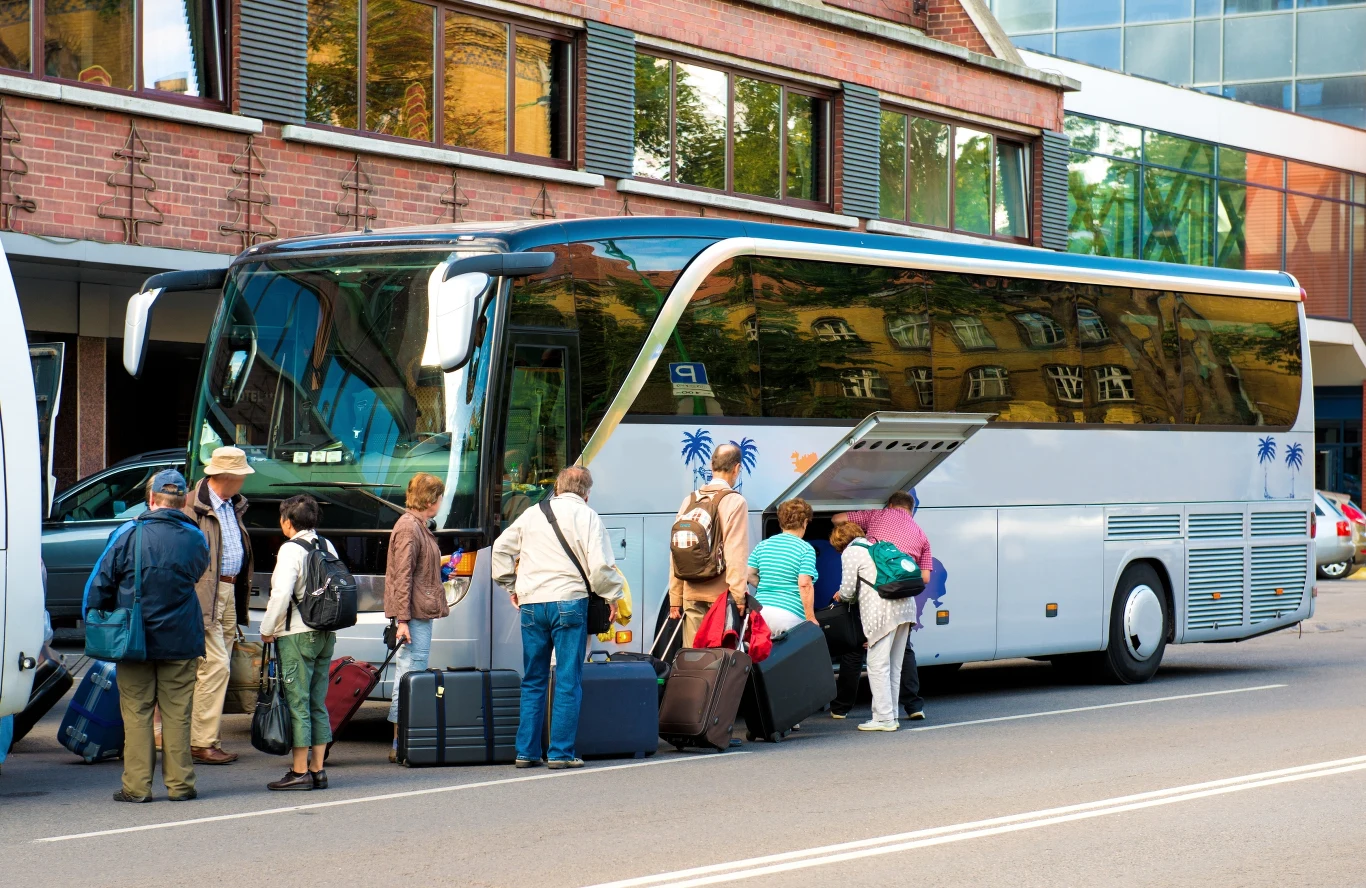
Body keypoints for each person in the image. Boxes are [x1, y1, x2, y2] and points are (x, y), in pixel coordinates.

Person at [85, 470, 209, 802]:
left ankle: (137, 787)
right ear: (183, 502)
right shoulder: (196, 538)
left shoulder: (128, 533)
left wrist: (95, 616)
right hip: (182, 637)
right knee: (178, 712)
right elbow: (198, 572)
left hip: (133, 638)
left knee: (137, 713)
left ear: (151, 499)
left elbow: (99, 584)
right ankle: (181, 785)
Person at [491, 466, 623, 769]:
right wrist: (612, 596)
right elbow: (600, 567)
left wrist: (512, 586)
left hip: (532, 604)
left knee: (534, 678)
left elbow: (500, 549)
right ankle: (560, 753)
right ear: (587, 494)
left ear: (558, 488)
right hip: (568, 602)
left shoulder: (533, 513)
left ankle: (526, 752)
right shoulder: (588, 516)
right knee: (566, 679)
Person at [259, 495, 337, 791]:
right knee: (318, 701)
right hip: (326, 632)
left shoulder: (290, 549)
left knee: (297, 702)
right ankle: (318, 770)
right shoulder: (326, 545)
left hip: (297, 634)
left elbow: (281, 594)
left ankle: (299, 771)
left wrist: (267, 629)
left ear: (287, 522)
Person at [833, 491, 930, 721]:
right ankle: (911, 706)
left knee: (859, 651)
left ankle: (845, 707)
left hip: (876, 598)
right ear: (911, 508)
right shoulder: (921, 533)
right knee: (902, 656)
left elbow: (837, 518)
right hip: (905, 601)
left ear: (890, 503)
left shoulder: (878, 516)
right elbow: (924, 578)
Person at [188, 446, 255, 765]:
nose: (244, 481)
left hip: (227, 590)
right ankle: (201, 742)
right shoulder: (194, 506)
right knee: (215, 665)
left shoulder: (231, 504)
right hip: (207, 593)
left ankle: (203, 737)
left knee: (214, 664)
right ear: (227, 476)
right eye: (241, 475)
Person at [384, 472, 449, 762]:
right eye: (440, 497)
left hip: (416, 612)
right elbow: (402, 576)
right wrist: (403, 621)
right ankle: (401, 742)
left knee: (411, 674)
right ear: (431, 499)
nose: (441, 502)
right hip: (414, 616)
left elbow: (414, 570)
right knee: (411, 675)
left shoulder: (416, 526)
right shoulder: (410, 528)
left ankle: (404, 740)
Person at [668, 443, 750, 647]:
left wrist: (675, 596)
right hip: (720, 597)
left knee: (693, 656)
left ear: (712, 466)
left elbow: (676, 552)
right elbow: (735, 553)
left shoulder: (689, 500)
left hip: (691, 592)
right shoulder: (735, 502)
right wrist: (739, 596)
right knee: (718, 659)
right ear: (736, 468)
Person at [746, 498, 818, 635]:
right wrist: (810, 618)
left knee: (763, 655)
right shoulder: (805, 549)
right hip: (788, 615)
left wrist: (767, 585)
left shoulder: (763, 545)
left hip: (760, 612)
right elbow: (804, 584)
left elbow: (748, 574)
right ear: (804, 523)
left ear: (781, 522)